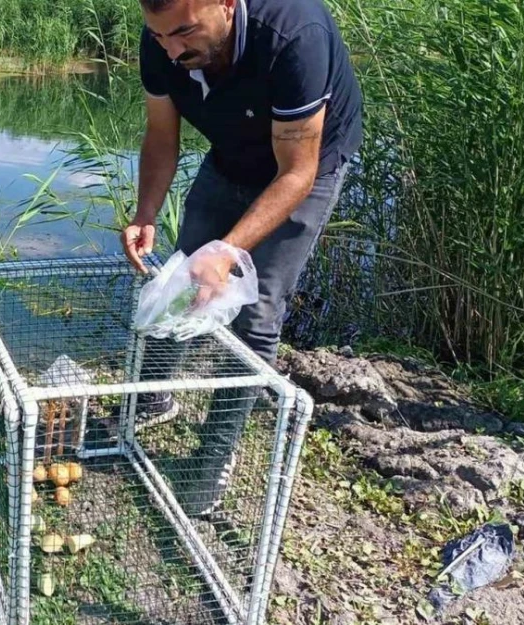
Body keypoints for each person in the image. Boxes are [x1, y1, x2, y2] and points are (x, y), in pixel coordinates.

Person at [121, 0, 363, 518]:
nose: (172, 48)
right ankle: (153, 400)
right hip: (231, 151)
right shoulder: (160, 40)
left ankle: (213, 462)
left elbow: (296, 173)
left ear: (228, 5)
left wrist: (230, 252)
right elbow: (163, 136)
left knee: (257, 310)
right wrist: (145, 214)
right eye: (161, 36)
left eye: (185, 31)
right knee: (182, 275)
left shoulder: (296, 36)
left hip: (306, 166)